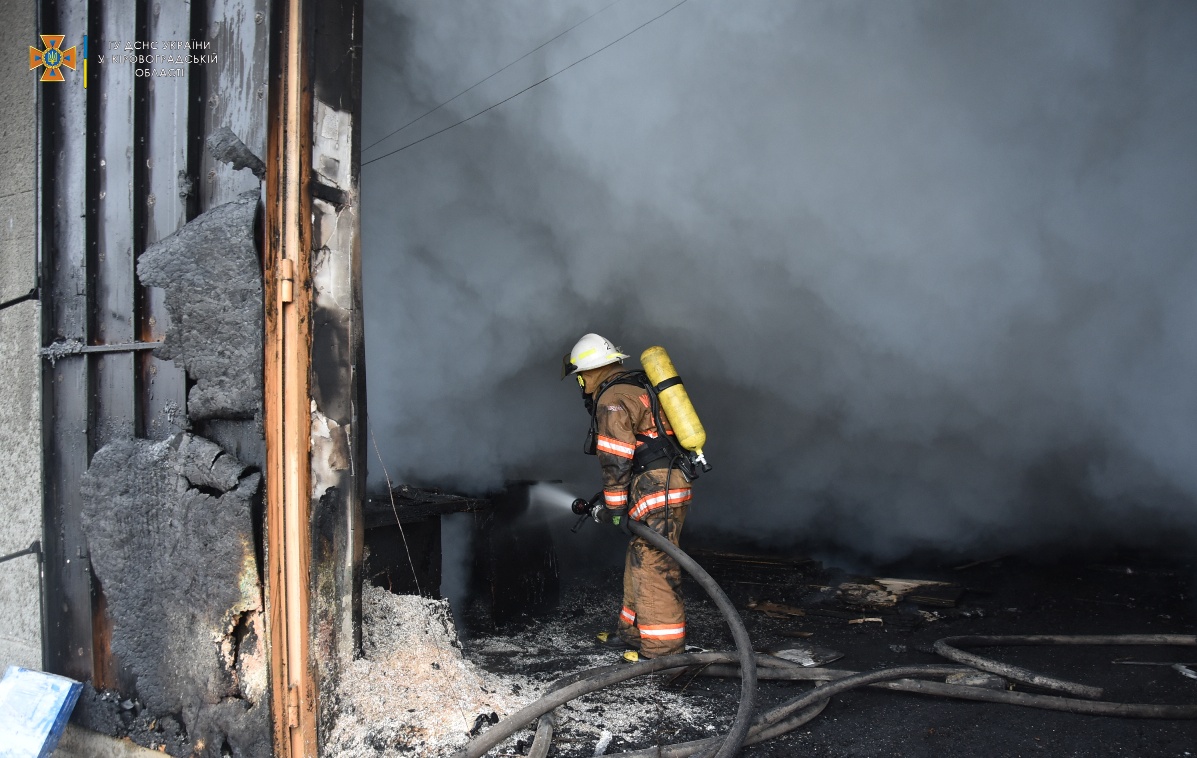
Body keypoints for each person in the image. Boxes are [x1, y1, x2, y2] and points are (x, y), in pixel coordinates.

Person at [562, 333, 692, 659]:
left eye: (580, 376)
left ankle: (662, 654)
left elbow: (616, 457)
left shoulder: (612, 398)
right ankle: (633, 634)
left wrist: (615, 507)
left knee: (655, 567)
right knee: (640, 559)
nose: (580, 383)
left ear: (592, 370)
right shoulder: (638, 386)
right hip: (664, 482)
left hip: (654, 487)